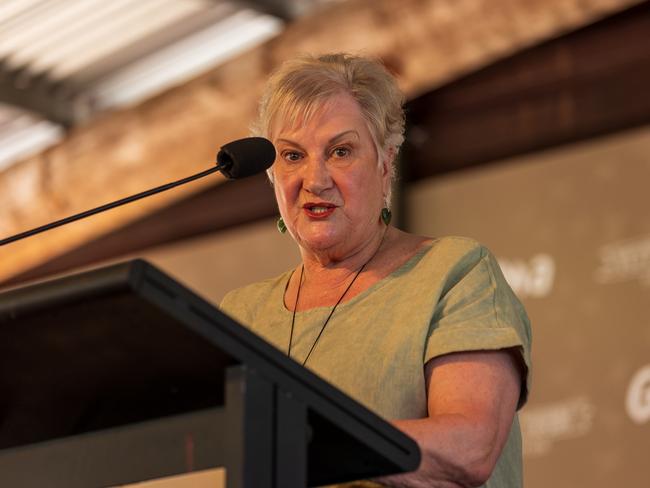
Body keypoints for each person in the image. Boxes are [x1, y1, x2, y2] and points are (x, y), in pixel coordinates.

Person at [220, 53, 531, 488]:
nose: (315, 179)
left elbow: (469, 448)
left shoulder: (454, 273)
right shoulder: (241, 315)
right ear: (272, 176)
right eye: (292, 156)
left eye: (341, 151)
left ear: (385, 165)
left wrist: (311, 446)